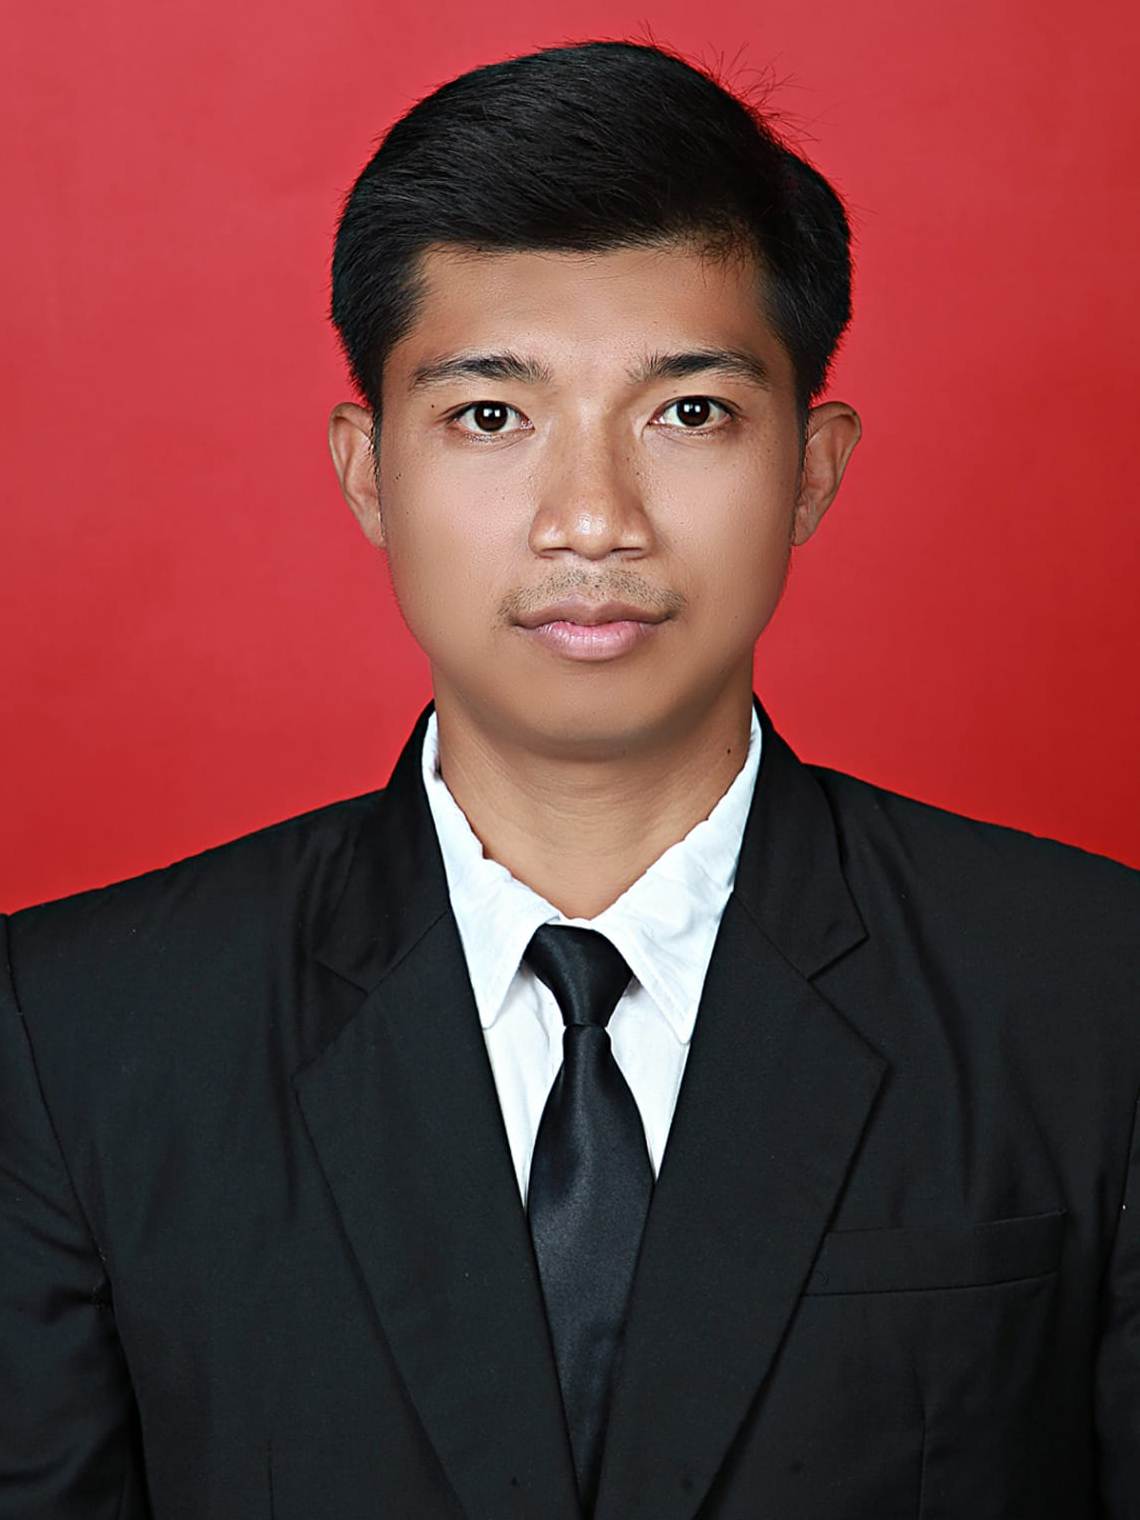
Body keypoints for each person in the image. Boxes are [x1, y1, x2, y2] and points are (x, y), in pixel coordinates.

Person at [1, 35, 1137, 1520]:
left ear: (811, 469)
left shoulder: (1092, 996)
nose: (592, 519)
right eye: (492, 415)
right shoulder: (75, 1036)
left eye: (688, 412)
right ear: (367, 471)